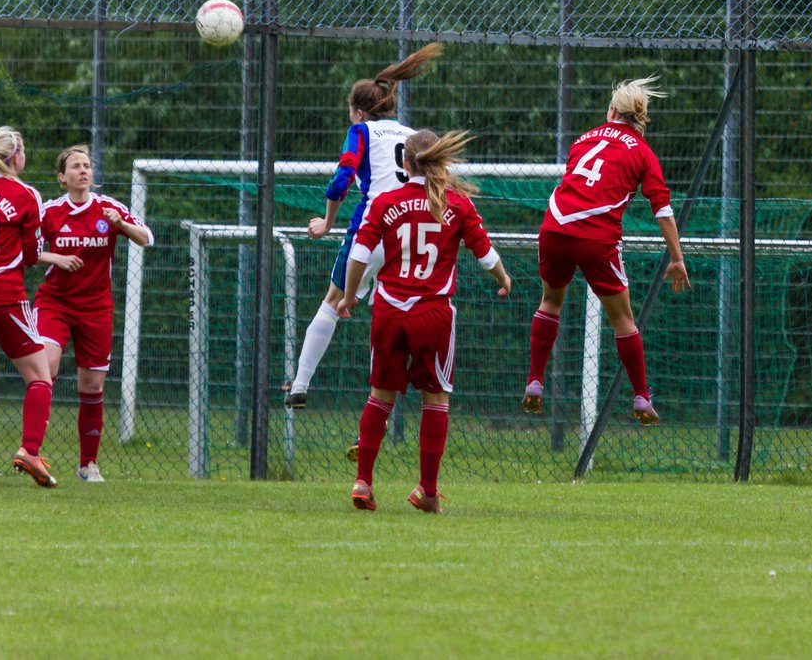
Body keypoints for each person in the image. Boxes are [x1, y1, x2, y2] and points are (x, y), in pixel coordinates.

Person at [337, 129, 511, 513]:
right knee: (435, 399)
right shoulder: (458, 204)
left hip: (387, 309)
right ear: (441, 161)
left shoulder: (384, 202)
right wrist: (503, 279)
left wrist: (349, 297)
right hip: (432, 314)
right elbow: (485, 255)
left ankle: (363, 481)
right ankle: (427, 492)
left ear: (404, 162)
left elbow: (359, 255)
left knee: (380, 396)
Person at [522, 76, 689, 425]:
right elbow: (662, 208)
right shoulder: (643, 153)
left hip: (553, 227)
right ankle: (641, 397)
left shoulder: (583, 140)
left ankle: (535, 380)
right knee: (623, 320)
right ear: (640, 118)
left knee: (551, 301)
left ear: (612, 110)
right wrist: (676, 258)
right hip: (596, 237)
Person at [285, 43, 443, 409]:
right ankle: (391, 405)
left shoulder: (361, 133)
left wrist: (327, 222)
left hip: (374, 230)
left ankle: (300, 384)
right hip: (413, 234)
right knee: (395, 310)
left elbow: (341, 180)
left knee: (333, 301)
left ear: (358, 112)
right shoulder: (412, 134)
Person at [35, 145, 153, 483]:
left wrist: (123, 226)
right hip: (55, 302)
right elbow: (27, 250)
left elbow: (147, 237)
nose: (83, 171)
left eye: (87, 166)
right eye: (75, 166)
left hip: (96, 308)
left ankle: (88, 465)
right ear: (62, 177)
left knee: (91, 386)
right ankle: (33, 455)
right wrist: (55, 259)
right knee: (46, 367)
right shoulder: (50, 211)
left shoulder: (109, 208)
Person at [0, 126, 57, 487]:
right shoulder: (26, 194)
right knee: (40, 377)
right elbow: (31, 256)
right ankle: (29, 451)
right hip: (3, 295)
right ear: (16, 157)